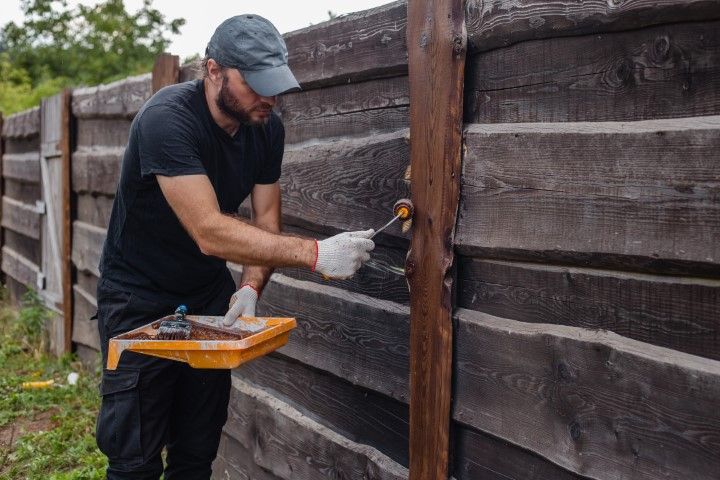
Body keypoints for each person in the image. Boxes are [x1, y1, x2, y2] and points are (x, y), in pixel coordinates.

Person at [95, 14, 375, 479]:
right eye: (257, 84)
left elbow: (265, 219)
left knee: (197, 449)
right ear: (213, 70)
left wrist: (250, 287)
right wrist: (316, 254)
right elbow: (208, 230)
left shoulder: (267, 129)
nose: (269, 97)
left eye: (276, 85)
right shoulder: (166, 120)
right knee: (135, 457)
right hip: (137, 296)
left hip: (205, 295)